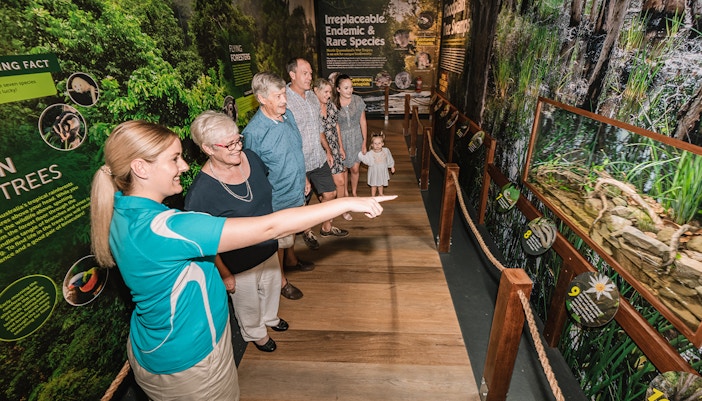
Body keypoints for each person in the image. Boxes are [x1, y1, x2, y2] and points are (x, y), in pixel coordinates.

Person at [90, 120, 393, 401]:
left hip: (160, 345)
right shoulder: (165, 228)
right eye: (174, 159)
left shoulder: (121, 210)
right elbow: (271, 226)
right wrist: (348, 202)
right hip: (191, 359)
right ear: (140, 167)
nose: (183, 166)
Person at [184, 111, 287, 353]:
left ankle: (270, 318)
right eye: (229, 144)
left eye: (238, 139)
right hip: (238, 263)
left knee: (271, 289)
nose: (237, 147)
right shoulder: (200, 193)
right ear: (208, 149)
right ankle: (256, 333)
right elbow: (204, 243)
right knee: (248, 303)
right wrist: (225, 273)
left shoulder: (250, 157)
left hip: (268, 247)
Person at [242, 71, 309, 300]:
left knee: (290, 236)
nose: (284, 100)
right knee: (279, 243)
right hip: (277, 200)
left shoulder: (287, 115)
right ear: (261, 98)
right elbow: (253, 175)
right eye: (278, 96)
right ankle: (281, 282)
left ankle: (292, 260)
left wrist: (305, 179)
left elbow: (296, 151)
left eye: (284, 94)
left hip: (297, 189)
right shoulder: (254, 133)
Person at [286, 57, 350, 242]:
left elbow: (319, 128)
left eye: (310, 73)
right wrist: (301, 171)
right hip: (299, 162)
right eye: (304, 73)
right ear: (292, 75)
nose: (309, 77)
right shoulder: (286, 102)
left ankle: (326, 227)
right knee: (303, 201)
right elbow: (288, 138)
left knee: (330, 193)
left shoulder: (313, 98)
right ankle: (306, 231)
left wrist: (328, 151)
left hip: (318, 157)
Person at [313, 78, 352, 221]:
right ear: (315, 91)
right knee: (325, 189)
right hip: (318, 150)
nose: (329, 95)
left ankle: (340, 210)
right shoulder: (311, 108)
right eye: (326, 92)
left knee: (340, 181)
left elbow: (336, 126)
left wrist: (340, 147)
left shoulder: (331, 106)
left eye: (330, 92)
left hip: (334, 148)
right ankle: (326, 215)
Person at [334, 73, 368, 198]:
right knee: (344, 169)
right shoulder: (333, 104)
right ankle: (346, 193)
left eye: (351, 87)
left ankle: (354, 192)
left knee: (355, 169)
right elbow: (335, 126)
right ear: (338, 89)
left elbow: (363, 121)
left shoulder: (358, 100)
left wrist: (364, 141)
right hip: (341, 139)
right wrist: (340, 146)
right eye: (346, 88)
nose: (350, 90)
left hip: (356, 137)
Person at [358, 132, 395, 196]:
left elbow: (389, 158)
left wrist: (392, 166)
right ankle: (373, 195)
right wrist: (360, 154)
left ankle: (381, 193)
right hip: (374, 172)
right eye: (375, 143)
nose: (377, 145)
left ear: (382, 144)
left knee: (381, 183)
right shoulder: (370, 153)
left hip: (382, 171)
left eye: (379, 143)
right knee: (374, 184)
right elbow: (366, 160)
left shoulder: (386, 151)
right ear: (372, 144)